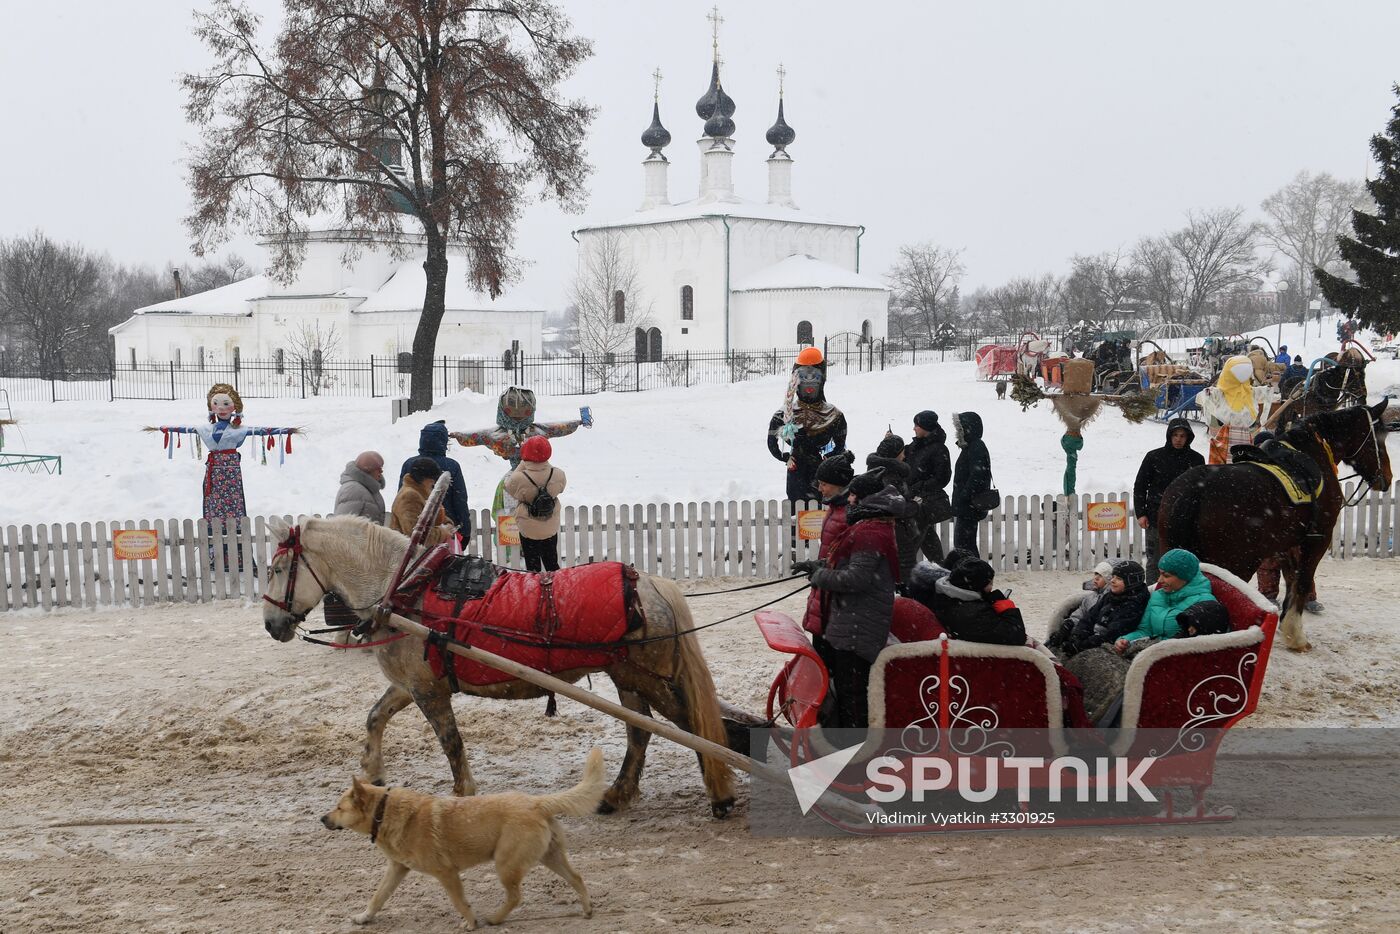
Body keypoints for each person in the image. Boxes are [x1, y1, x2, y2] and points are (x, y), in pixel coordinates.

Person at [795, 471, 901, 729]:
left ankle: (854, 749)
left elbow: (857, 578)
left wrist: (821, 576)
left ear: (865, 498)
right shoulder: (869, 526)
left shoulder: (870, 532)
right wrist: (818, 566)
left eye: (854, 494)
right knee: (847, 689)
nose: (849, 499)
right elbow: (848, 562)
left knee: (852, 694)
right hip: (852, 620)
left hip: (858, 625)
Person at [766, 347, 848, 504]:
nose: (810, 382)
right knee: (797, 512)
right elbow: (771, 442)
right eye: (804, 376)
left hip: (822, 474)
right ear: (795, 380)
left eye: (815, 376)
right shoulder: (783, 414)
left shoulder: (834, 415)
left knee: (819, 511)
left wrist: (828, 459)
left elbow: (841, 444)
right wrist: (785, 457)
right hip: (797, 472)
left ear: (822, 379)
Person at [1132, 418, 1205, 584]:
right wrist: (1141, 513)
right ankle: (1153, 593)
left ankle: (1184, 592)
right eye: (1175, 435)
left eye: (1182, 436)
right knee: (1155, 560)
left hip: (1186, 520)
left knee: (1184, 560)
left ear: (1188, 438)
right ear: (1169, 436)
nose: (1178, 439)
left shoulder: (1196, 460)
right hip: (1156, 517)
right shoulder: (1154, 457)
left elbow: (1201, 490)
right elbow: (1140, 486)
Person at [1112, 549, 1217, 652]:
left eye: (1166, 576)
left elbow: (1200, 646)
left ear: (1185, 576)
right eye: (1160, 574)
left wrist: (1154, 649)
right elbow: (1145, 630)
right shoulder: (1158, 595)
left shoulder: (1205, 603)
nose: (1159, 580)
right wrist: (1125, 640)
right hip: (1150, 654)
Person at [799, 452, 855, 639]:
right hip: (826, 583)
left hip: (837, 592)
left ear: (839, 484)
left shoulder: (849, 512)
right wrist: (818, 566)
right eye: (819, 484)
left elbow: (849, 557)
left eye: (824, 484)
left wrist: (825, 569)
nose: (820, 489)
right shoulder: (835, 507)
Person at [918, 556, 1026, 646]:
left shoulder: (947, 595)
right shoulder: (973, 614)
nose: (991, 588)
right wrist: (1007, 608)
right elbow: (1016, 635)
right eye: (989, 584)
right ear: (975, 586)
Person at [865, 433, 922, 588]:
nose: (904, 456)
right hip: (897, 533)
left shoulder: (876, 472)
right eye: (902, 452)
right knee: (905, 575)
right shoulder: (891, 476)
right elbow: (896, 508)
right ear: (895, 454)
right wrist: (915, 505)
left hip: (890, 532)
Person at [503, 436, 567, 573]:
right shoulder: (558, 474)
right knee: (551, 564)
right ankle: (556, 588)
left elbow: (508, 486)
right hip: (550, 526)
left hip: (528, 529)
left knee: (533, 568)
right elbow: (561, 488)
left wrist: (522, 464)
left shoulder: (519, 478)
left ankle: (534, 590)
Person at [1063, 560, 1150, 657]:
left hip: (1107, 646)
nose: (1112, 581)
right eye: (1113, 577)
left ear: (1131, 583)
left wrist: (1081, 645)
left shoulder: (1133, 604)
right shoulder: (1110, 596)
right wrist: (1077, 636)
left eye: (1119, 578)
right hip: (1092, 638)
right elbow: (1089, 618)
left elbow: (1113, 634)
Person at [400, 420, 471, 538]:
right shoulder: (452, 466)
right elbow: (460, 500)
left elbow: (402, 495)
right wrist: (465, 531)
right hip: (445, 529)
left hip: (413, 528)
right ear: (443, 441)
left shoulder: (409, 464)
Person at [904, 410, 952, 565]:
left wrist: (919, 487)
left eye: (916, 425)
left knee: (912, 542)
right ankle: (941, 570)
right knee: (928, 540)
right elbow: (901, 456)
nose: (914, 429)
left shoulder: (939, 449)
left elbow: (942, 479)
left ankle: (905, 573)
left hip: (925, 503)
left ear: (925, 427)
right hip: (915, 502)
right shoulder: (915, 445)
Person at [950, 411, 993, 554]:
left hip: (969, 506)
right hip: (968, 506)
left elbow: (978, 476)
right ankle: (971, 572)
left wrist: (964, 496)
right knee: (964, 544)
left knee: (964, 545)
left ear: (968, 428)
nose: (958, 431)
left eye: (960, 428)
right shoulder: (971, 446)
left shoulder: (976, 447)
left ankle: (973, 573)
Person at [1045, 561, 1113, 651]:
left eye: (1100, 576)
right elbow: (1080, 612)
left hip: (1093, 634)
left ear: (1108, 579)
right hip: (1083, 629)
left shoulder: (1110, 598)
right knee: (1057, 639)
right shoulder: (1090, 598)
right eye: (1095, 574)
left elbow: (1101, 623)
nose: (1096, 578)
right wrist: (1070, 622)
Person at [390, 457, 456, 546]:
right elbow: (417, 536)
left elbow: (435, 516)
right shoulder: (409, 496)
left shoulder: (420, 492)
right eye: (432, 480)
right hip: (408, 556)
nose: (433, 483)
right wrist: (443, 532)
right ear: (423, 479)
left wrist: (447, 523)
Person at [333, 451, 387, 524]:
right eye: (378, 469)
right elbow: (341, 526)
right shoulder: (353, 490)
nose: (381, 471)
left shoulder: (369, 488)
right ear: (368, 469)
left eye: (381, 468)